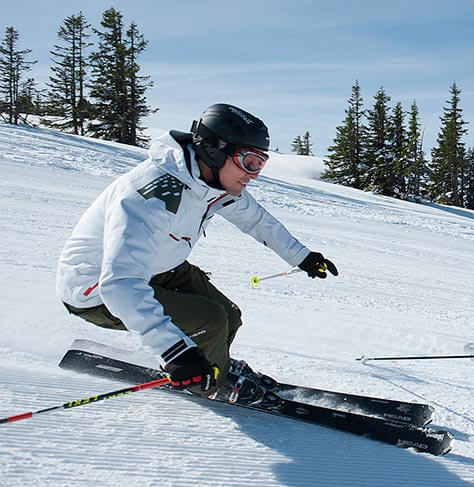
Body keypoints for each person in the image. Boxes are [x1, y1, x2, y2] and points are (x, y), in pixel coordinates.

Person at [56, 103, 337, 404]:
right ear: (215, 150)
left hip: (155, 267)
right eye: (249, 162)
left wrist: (302, 257)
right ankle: (208, 385)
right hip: (95, 287)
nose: (253, 175)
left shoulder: (211, 184)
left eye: (261, 164)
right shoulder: (154, 195)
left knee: (229, 315)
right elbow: (120, 284)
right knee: (211, 319)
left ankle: (215, 368)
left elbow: (256, 220)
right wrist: (174, 352)